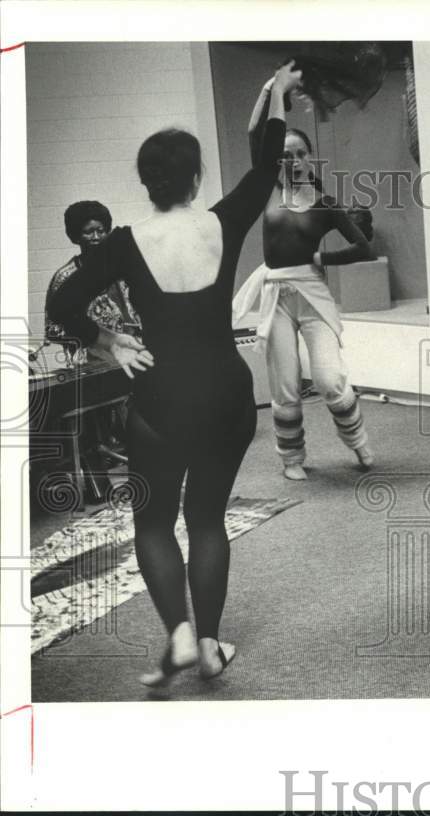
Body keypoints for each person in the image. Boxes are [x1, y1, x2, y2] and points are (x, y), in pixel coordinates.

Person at [49, 61, 304, 686]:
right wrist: (276, 95)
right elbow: (267, 165)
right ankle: (212, 645)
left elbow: (62, 305)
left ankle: (181, 636)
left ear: (145, 182)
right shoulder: (224, 219)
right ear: (194, 177)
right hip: (226, 392)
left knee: (155, 521)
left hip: (161, 396)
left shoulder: (123, 242)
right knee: (209, 519)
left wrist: (109, 339)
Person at [232, 80, 376, 482]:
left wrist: (321, 257)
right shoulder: (268, 191)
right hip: (276, 296)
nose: (292, 161)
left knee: (330, 380)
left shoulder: (326, 204)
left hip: (312, 295)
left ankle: (358, 439)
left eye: (299, 154)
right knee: (286, 386)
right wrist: (268, 92)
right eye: (284, 156)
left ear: (311, 159)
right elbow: (253, 133)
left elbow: (364, 247)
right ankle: (291, 458)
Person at [45, 201, 139, 361]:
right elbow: (52, 329)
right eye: (88, 232)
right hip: (89, 362)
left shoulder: (123, 269)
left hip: (130, 355)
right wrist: (95, 339)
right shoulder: (64, 276)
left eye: (100, 231)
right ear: (75, 236)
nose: (96, 237)